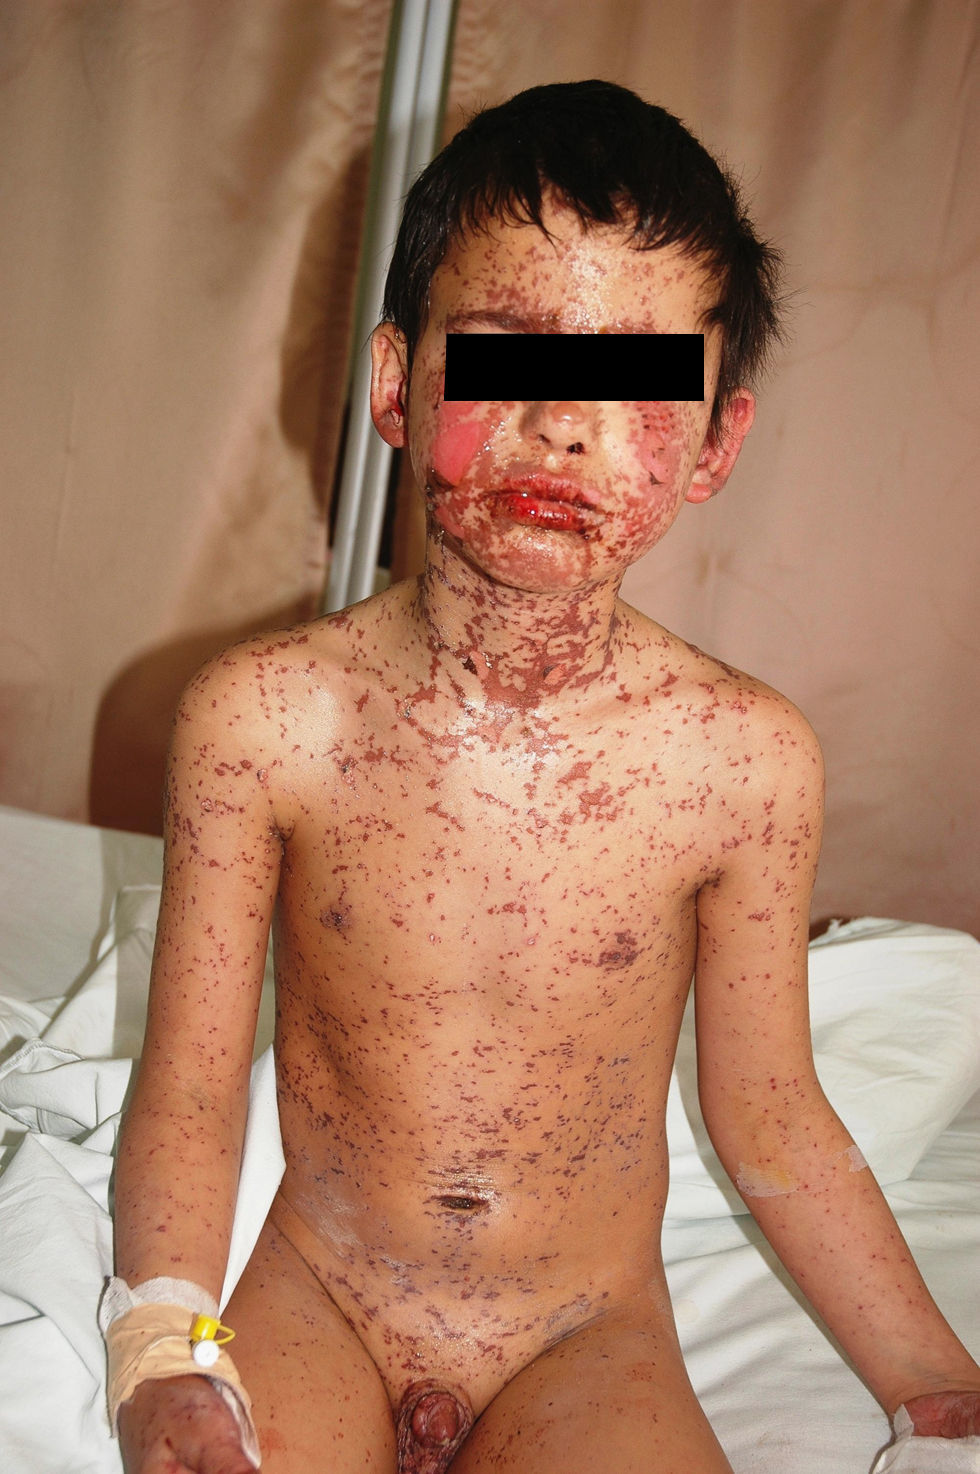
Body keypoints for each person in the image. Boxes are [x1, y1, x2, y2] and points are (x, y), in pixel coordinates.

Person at [105, 80, 980, 1473]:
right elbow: (196, 1085)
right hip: (320, 1288)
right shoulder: (266, 721)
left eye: (641, 381)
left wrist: (936, 1385)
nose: (566, 422)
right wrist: (162, 1346)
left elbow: (773, 1109)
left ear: (715, 445)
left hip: (584, 1329)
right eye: (506, 356)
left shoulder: (740, 761)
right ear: (397, 384)